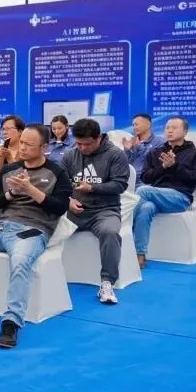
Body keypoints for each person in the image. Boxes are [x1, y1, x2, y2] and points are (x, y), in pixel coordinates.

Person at [0, 125, 73, 348]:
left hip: (31, 231)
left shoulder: (57, 173)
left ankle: (11, 322)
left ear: (44, 148)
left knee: (19, 263)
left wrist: (30, 190)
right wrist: (11, 193)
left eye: (29, 144)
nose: (23, 148)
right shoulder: (11, 169)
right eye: (22, 143)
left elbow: (59, 207)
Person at [60, 118, 130, 304]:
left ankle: (107, 283)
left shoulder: (116, 155)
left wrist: (92, 188)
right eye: (79, 143)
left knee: (110, 232)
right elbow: (59, 185)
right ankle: (45, 275)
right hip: (74, 211)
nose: (82, 148)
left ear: (99, 137)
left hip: (104, 210)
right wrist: (68, 201)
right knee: (43, 223)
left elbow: (120, 185)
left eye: (87, 144)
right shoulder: (70, 155)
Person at [132, 117, 196, 267]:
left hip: (180, 197)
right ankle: (140, 254)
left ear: (185, 131)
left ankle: (121, 228)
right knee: (146, 208)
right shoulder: (154, 153)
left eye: (174, 128)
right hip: (155, 194)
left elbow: (195, 178)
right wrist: (163, 167)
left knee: (143, 190)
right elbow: (145, 177)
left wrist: (175, 166)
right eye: (167, 128)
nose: (169, 131)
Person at [122, 113, 166, 188]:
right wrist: (127, 150)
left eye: (137, 124)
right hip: (129, 180)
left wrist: (139, 148)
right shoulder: (132, 142)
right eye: (133, 125)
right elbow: (126, 164)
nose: (134, 127)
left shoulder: (160, 142)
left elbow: (155, 163)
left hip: (147, 182)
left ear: (148, 125)